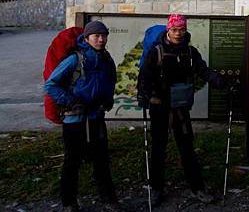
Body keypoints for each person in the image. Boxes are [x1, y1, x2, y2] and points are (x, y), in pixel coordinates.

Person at [137, 14, 229, 206]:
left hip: (180, 107)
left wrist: (217, 80)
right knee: (158, 148)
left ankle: (197, 188)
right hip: (160, 106)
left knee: (187, 148)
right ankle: (156, 189)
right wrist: (147, 95)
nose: (178, 33)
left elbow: (202, 70)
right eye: (174, 30)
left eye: (181, 29)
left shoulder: (189, 52)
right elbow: (144, 76)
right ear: (168, 30)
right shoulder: (156, 52)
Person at [44, 21, 119, 212]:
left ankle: (109, 199)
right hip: (75, 119)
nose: (101, 39)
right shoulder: (75, 60)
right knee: (72, 162)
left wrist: (108, 99)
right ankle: (69, 202)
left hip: (96, 117)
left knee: (101, 160)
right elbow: (51, 85)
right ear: (86, 38)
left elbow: (110, 81)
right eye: (96, 36)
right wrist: (69, 100)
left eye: (104, 35)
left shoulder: (106, 60)